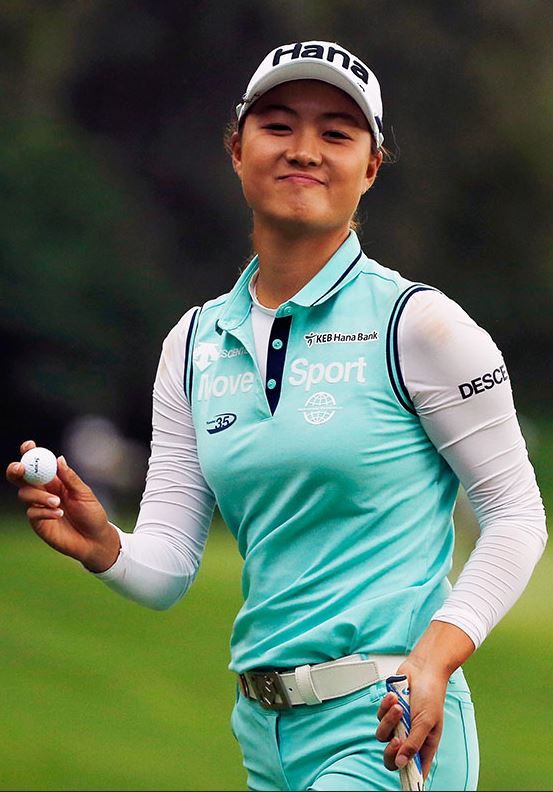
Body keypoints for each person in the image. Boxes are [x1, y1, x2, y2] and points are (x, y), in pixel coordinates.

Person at [6, 40, 548, 791]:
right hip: (265, 736)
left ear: (370, 167)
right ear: (237, 149)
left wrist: (436, 655)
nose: (304, 150)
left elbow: (516, 515)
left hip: (389, 724)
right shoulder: (193, 342)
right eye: (278, 125)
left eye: (336, 133)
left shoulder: (420, 326)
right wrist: (104, 547)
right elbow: (167, 567)